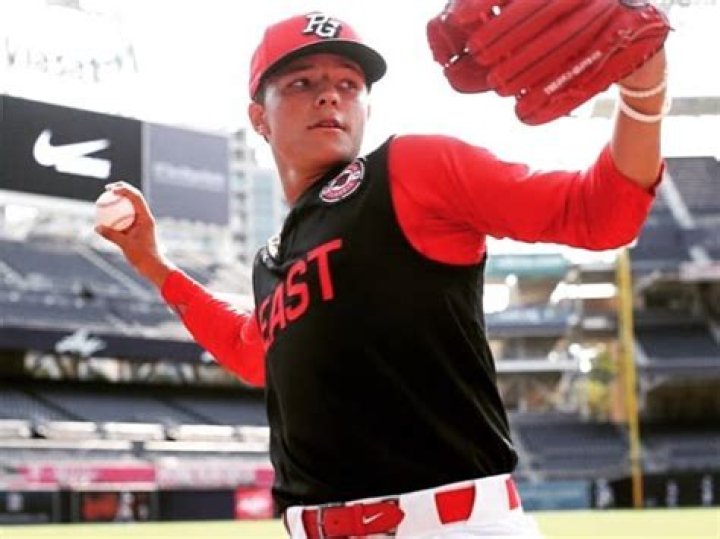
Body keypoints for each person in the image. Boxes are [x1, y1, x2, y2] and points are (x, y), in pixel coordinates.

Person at [97, 10, 668, 539]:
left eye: (349, 85)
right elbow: (255, 352)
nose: (330, 95)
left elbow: (601, 213)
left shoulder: (412, 169)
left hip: (447, 527)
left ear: (367, 107)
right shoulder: (272, 257)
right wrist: (153, 264)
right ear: (258, 117)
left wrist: (643, 89)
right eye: (302, 82)